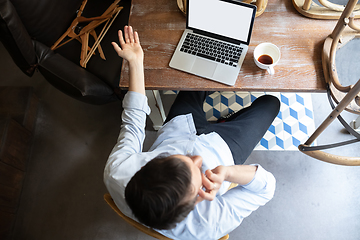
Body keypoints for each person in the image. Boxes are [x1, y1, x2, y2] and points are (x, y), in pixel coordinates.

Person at [104, 26, 280, 240]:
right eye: (198, 171)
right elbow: (266, 187)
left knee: (199, 75)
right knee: (271, 103)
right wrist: (227, 172)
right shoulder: (210, 224)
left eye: (180, 158)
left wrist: (135, 61)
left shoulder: (118, 172)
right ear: (197, 201)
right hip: (225, 148)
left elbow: (133, 123)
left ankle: (218, 122)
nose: (197, 158)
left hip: (180, 128)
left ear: (146, 164)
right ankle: (227, 123)